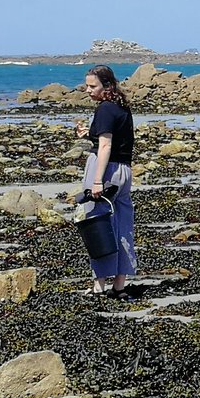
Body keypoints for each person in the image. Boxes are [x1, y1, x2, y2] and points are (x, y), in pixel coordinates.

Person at [74, 65, 137, 299]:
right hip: (124, 171)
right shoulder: (121, 106)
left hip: (106, 169)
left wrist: (97, 181)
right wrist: (89, 134)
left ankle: (99, 286)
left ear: (107, 85)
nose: (88, 90)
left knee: (97, 225)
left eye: (93, 86)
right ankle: (119, 286)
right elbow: (113, 138)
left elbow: (105, 146)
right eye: (87, 86)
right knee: (122, 226)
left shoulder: (105, 109)